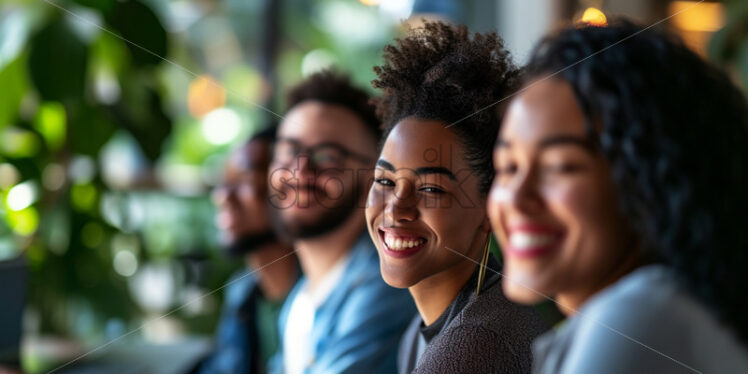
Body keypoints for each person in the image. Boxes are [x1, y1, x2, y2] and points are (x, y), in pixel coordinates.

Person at [488, 20, 748, 373]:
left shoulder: (637, 318)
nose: (516, 198)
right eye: (507, 167)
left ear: (652, 177)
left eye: (560, 166)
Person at [367, 21, 549, 373]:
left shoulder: (475, 346)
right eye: (385, 181)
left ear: (489, 208)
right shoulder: (425, 331)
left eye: (431, 189)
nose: (396, 208)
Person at [266, 70, 416, 374]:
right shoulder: (299, 300)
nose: (300, 171)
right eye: (289, 151)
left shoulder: (385, 283)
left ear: (374, 177)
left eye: (328, 157)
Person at [199, 127, 299, 374]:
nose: (222, 196)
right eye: (224, 182)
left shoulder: (329, 297)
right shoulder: (242, 293)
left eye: (244, 180)